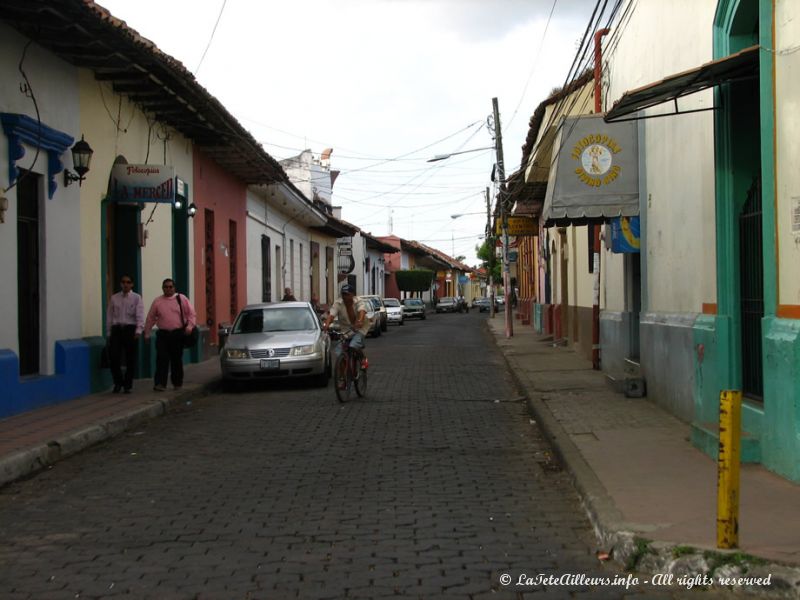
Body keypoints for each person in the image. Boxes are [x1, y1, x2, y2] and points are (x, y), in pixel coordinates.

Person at [143, 278, 197, 391]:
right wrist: (147, 333)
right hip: (163, 334)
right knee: (161, 358)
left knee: (176, 359)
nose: (168, 289)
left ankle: (177, 382)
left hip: (177, 334)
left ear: (174, 288)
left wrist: (189, 327)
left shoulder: (181, 299)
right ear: (162, 288)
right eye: (166, 287)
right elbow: (151, 318)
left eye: (170, 287)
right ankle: (160, 383)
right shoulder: (157, 301)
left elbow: (191, 314)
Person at [106, 274, 144, 393]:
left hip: (130, 329)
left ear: (132, 284)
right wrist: (108, 331)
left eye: (128, 282)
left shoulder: (136, 298)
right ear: (120, 284)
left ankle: (128, 384)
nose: (125, 284)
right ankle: (118, 382)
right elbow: (109, 315)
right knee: (114, 357)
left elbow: (140, 314)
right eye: (123, 282)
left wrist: (138, 330)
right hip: (117, 329)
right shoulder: (114, 298)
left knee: (130, 358)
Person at [322, 284, 370, 362]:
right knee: (338, 351)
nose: (345, 297)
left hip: (360, 328)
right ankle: (342, 371)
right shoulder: (338, 303)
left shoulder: (358, 301)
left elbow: (362, 311)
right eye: (343, 294)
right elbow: (331, 315)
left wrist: (360, 321)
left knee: (353, 345)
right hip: (346, 330)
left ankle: (363, 359)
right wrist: (327, 324)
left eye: (347, 294)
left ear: (353, 295)